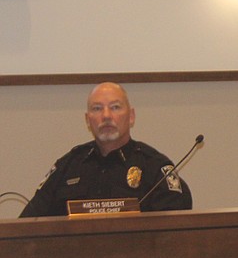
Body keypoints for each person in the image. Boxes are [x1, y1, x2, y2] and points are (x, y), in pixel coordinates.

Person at [20, 82, 194, 217]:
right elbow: (28, 223)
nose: (106, 116)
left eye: (115, 107)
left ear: (131, 116)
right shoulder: (68, 166)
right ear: (88, 120)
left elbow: (174, 233)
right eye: (97, 109)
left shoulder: (155, 168)